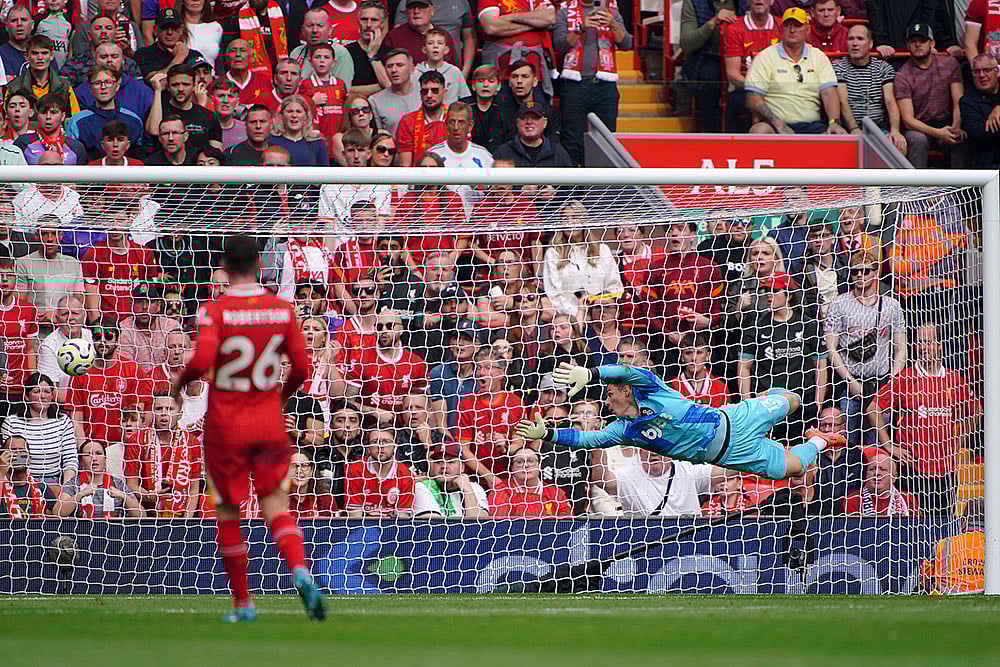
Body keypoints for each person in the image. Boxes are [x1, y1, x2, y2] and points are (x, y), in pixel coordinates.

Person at [170, 235, 326, 622]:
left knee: (227, 511)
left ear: (225, 266)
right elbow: (303, 369)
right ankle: (300, 571)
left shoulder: (214, 311)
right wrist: (281, 397)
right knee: (277, 506)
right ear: (259, 263)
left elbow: (203, 358)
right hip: (269, 423)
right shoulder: (282, 310)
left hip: (226, 427)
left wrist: (177, 384)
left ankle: (244, 605)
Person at [517, 361, 847, 481]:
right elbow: (588, 440)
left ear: (626, 392)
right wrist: (548, 433)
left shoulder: (649, 386)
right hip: (728, 456)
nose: (607, 399)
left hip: (736, 419)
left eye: (609, 393)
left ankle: (765, 400)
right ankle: (819, 439)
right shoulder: (627, 430)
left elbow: (626, 370)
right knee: (793, 468)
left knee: (793, 400)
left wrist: (590, 373)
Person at [866, 321, 980, 515]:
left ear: (940, 345)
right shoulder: (906, 378)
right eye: (919, 342)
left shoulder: (953, 379)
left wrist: (959, 440)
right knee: (912, 528)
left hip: (945, 470)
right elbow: (873, 409)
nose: (923, 347)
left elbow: (976, 411)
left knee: (943, 525)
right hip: (911, 469)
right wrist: (889, 445)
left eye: (928, 342)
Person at [825, 251, 907, 448]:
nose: (860, 276)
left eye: (865, 271)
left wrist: (894, 379)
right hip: (851, 382)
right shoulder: (839, 303)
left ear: (875, 272)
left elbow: (901, 346)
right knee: (847, 444)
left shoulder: (891, 305)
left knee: (878, 444)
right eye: (855, 272)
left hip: (881, 383)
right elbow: (831, 347)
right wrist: (850, 381)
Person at [738, 271, 827, 443]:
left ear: (788, 295)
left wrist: (818, 404)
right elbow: (744, 367)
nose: (769, 296)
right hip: (767, 406)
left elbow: (820, 366)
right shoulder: (756, 327)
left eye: (774, 290)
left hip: (802, 407)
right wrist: (747, 404)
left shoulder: (808, 325)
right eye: (766, 291)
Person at [554, 0, 632, 165]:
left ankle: (605, 186)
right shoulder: (565, 12)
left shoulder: (612, 12)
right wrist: (581, 27)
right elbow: (559, 45)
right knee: (572, 139)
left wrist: (613, 25)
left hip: (605, 85)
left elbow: (627, 44)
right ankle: (572, 188)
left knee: (607, 138)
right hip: (574, 85)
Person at [746, 8, 845, 134]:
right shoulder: (765, 56)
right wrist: (778, 123)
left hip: (813, 125)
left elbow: (829, 93)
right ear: (781, 30)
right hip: (775, 125)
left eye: (798, 25)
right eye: (787, 26)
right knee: (759, 131)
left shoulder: (818, 56)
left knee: (835, 133)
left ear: (808, 30)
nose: (792, 30)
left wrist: (834, 122)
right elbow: (752, 98)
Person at [66, 318, 154, 446]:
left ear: (117, 340)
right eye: (97, 337)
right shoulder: (81, 372)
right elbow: (76, 419)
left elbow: (137, 416)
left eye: (108, 336)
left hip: (125, 446)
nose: (102, 342)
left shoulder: (132, 370)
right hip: (93, 447)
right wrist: (85, 448)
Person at [895, 23, 967, 168]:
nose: (917, 45)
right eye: (913, 42)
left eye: (922, 41)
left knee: (962, 137)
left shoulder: (949, 64)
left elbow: (959, 101)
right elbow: (908, 120)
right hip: (919, 126)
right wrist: (938, 133)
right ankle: (916, 189)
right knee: (917, 140)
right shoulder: (902, 75)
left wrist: (955, 127)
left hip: (945, 122)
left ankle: (961, 189)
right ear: (908, 46)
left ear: (932, 43)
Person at [456, 346, 525, 489]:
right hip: (476, 481)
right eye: (479, 368)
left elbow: (519, 444)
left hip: (509, 480)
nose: (481, 373)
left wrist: (506, 447)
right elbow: (464, 450)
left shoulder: (515, 403)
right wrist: (489, 478)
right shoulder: (467, 404)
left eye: (487, 368)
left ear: (501, 373)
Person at [834, 25, 907, 153]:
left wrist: (895, 130)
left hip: (878, 127)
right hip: (848, 128)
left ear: (870, 43)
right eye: (851, 39)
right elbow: (842, 101)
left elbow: (890, 101)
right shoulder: (839, 67)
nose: (855, 44)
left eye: (860, 39)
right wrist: (854, 129)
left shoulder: (883, 68)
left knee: (899, 147)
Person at [542, 202, 622, 316]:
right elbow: (554, 294)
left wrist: (598, 309)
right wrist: (577, 315)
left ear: (584, 220)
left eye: (574, 217)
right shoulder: (553, 253)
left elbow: (614, 287)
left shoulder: (602, 250)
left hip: (601, 316)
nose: (570, 222)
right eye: (565, 219)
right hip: (569, 320)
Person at [0, 372, 77, 486]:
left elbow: (70, 461)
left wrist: (66, 490)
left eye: (47, 391)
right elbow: (9, 459)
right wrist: (26, 484)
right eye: (36, 391)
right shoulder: (12, 423)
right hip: (20, 482)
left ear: (52, 395)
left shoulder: (63, 421)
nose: (43, 396)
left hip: (53, 482)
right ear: (27, 396)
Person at [679, 0, 739, 132]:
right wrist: (713, 22)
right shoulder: (694, 3)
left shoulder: (744, 3)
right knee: (708, 78)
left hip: (742, 57)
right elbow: (686, 43)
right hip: (708, 56)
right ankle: (710, 131)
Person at [722, 0, 782, 132]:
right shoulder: (735, 29)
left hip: (780, 90)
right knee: (741, 102)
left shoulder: (783, 26)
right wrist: (759, 90)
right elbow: (732, 74)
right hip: (744, 89)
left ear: (772, 1)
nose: (759, 0)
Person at [478, 0, 557, 97]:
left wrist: (511, 17)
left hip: (535, 74)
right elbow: (492, 27)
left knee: (536, 109)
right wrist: (535, 23)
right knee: (504, 108)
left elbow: (549, 18)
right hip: (503, 75)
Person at [66, 65, 146, 162]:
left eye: (108, 82)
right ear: (90, 89)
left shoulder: (133, 120)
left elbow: (139, 155)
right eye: (97, 83)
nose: (103, 87)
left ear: (117, 86)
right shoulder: (77, 122)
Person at [15, 223, 84, 333]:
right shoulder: (23, 263)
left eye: (54, 234)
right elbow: (19, 301)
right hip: (35, 328)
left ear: (60, 236)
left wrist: (57, 314)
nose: (50, 239)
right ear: (36, 236)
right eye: (45, 234)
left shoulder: (73, 263)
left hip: (66, 328)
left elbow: (78, 299)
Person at [146, 63, 223, 153]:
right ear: (168, 87)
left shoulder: (209, 116)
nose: (181, 89)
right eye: (175, 85)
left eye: (185, 84)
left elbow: (216, 154)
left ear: (194, 86)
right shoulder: (158, 110)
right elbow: (154, 131)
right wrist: (157, 91)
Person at [58, 439, 143, 518]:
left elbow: (142, 515)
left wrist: (124, 496)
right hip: (82, 530)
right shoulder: (74, 483)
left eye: (98, 453)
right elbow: (58, 512)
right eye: (88, 454)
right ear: (81, 461)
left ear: (105, 459)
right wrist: (80, 495)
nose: (94, 458)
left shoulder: (117, 483)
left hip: (113, 530)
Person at [344, 428, 416, 518]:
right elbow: (355, 515)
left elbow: (403, 517)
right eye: (375, 441)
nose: (380, 446)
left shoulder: (406, 475)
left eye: (386, 441)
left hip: (392, 528)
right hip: (363, 527)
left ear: (395, 446)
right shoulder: (355, 470)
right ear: (368, 447)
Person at [7, 34, 80, 115]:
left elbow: (74, 120)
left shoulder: (65, 87)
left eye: (44, 53)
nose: (40, 57)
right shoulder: (13, 88)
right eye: (35, 53)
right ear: (26, 56)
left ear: (51, 56)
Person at [429, 318, 479, 435]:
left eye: (466, 339)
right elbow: (441, 424)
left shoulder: (482, 375)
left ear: (477, 346)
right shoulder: (438, 373)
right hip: (448, 441)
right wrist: (453, 448)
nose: (460, 343)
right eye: (456, 338)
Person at [488, 446, 571, 517]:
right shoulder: (500, 491)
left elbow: (566, 524)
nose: (526, 465)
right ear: (512, 468)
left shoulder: (555, 493)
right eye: (519, 462)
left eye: (531, 461)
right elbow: (500, 528)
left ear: (539, 466)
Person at [413, 441, 489, 518]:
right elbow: (434, 526)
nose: (444, 466)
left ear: (462, 467)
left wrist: (467, 490)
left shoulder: (475, 488)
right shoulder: (423, 487)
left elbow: (480, 525)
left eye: (451, 461)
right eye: (439, 462)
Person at [117, 283, 183, 371]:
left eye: (150, 301)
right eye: (139, 302)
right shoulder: (123, 329)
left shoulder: (172, 326)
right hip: (137, 382)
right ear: (131, 305)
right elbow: (126, 370)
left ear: (158, 305)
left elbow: (183, 360)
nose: (144, 307)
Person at [297, 41, 347, 155]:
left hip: (337, 140)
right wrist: (312, 102)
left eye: (326, 57)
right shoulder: (306, 85)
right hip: (316, 140)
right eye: (317, 57)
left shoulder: (340, 84)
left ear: (334, 62)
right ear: (310, 62)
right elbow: (299, 110)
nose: (322, 60)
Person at [134, 8, 205, 84]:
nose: (170, 32)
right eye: (164, 28)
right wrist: (179, 58)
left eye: (174, 28)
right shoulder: (143, 54)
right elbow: (156, 83)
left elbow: (204, 82)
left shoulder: (194, 56)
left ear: (181, 30)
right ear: (155, 30)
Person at [843, 447, 919, 516]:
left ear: (894, 477)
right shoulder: (852, 500)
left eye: (882, 469)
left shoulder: (908, 499)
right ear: (866, 475)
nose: (876, 473)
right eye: (872, 469)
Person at [494, 101, 573, 167]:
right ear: (517, 123)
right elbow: (493, 184)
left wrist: (553, 186)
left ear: (545, 123)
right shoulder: (503, 153)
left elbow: (572, 184)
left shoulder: (558, 153)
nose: (529, 122)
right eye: (524, 118)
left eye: (535, 118)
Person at [868, 0, 960, 57]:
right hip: (891, 49)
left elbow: (930, 13)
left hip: (920, 43)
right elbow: (876, 12)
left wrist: (940, 42)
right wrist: (881, 41)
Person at [0, 435, 62, 517]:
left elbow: (55, 517)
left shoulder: (42, 488)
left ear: (30, 458)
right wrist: (1, 473)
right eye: (13, 450)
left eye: (22, 451)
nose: (18, 454)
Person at [396, 69, 448, 166]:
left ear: (444, 92)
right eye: (425, 91)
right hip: (419, 178)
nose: (429, 95)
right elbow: (405, 166)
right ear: (420, 94)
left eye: (435, 90)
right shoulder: (408, 121)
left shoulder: (454, 119)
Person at [288, 7, 354, 83]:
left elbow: (343, 89)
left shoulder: (340, 54)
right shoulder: (296, 53)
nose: (314, 30)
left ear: (329, 29)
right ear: (303, 30)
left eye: (320, 25)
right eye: (310, 26)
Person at [960, 52, 1000, 169]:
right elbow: (981, 135)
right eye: (977, 71)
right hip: (988, 165)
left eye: (986, 70)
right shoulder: (967, 101)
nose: (982, 75)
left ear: (997, 71)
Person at [369, 48, 421, 135]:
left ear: (411, 69)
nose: (394, 70)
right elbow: (379, 137)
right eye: (389, 66)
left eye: (400, 65)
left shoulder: (425, 93)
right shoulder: (375, 100)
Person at [462, 64, 512, 154]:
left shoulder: (506, 108)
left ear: (498, 86)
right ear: (473, 85)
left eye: (491, 81)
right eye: (481, 81)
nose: (485, 85)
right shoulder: (464, 107)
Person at [414, 28, 470, 106]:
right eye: (430, 43)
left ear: (446, 49)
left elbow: (465, 98)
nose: (435, 46)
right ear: (424, 49)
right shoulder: (415, 73)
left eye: (440, 43)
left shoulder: (454, 72)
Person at [670, 332, 728, 407]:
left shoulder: (720, 387)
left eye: (699, 353)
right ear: (682, 357)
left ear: (708, 356)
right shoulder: (673, 387)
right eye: (688, 353)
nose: (693, 358)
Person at [269, 94, 329, 166]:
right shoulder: (271, 141)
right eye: (290, 111)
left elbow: (324, 173)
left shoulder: (317, 143)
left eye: (298, 111)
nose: (294, 115)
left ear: (306, 116)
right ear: (281, 116)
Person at [347, 0, 391, 96]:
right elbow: (344, 90)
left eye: (374, 20)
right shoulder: (346, 52)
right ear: (358, 21)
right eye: (364, 19)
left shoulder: (390, 53)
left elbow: (390, 87)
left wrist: (372, 55)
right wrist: (380, 86)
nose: (368, 25)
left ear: (382, 24)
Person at [219, 39, 271, 109]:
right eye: (233, 51)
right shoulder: (218, 83)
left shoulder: (264, 81)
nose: (238, 54)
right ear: (226, 58)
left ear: (251, 58)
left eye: (243, 50)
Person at [287, 451, 338, 518]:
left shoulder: (325, 499)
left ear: (311, 471)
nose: (299, 471)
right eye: (294, 466)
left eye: (304, 465)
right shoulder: (278, 498)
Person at [180, 0, 223, 70]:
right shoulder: (174, 27)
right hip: (182, 78)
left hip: (209, 78)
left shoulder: (216, 27)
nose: (196, 0)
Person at [0, 5, 33, 81]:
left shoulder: (43, 51)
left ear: (32, 25)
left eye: (23, 20)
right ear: (6, 26)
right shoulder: (1, 55)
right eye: (14, 20)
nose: (19, 24)